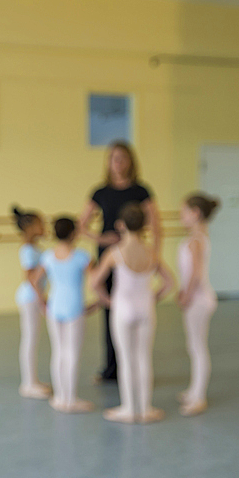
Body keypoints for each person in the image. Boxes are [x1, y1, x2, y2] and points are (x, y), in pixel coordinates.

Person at [79, 140, 161, 383]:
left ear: (131, 162)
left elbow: (156, 225)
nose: (119, 163)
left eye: (123, 158)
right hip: (109, 254)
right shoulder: (100, 191)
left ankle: (135, 365)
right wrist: (101, 237)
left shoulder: (141, 191)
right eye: (114, 158)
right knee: (111, 308)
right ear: (109, 162)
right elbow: (81, 225)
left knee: (137, 305)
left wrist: (154, 256)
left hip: (135, 253)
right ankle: (112, 367)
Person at [89, 203, 174, 424]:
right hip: (145, 309)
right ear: (144, 225)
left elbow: (94, 282)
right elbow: (169, 282)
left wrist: (107, 300)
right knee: (144, 358)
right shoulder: (151, 253)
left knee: (126, 360)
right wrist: (153, 297)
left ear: (120, 225)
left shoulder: (114, 253)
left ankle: (129, 409)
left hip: (123, 309)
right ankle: (145, 409)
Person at [29, 217, 99, 413]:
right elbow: (95, 282)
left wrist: (42, 302)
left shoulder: (48, 256)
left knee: (58, 352)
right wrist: (99, 301)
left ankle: (60, 398)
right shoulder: (82, 257)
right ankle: (70, 399)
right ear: (74, 233)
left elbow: (34, 280)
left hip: (55, 306)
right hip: (74, 307)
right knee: (72, 353)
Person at [177, 193, 220, 417]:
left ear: (195, 213)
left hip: (198, 299)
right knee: (194, 345)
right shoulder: (199, 235)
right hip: (199, 298)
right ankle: (194, 391)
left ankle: (199, 396)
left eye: (184, 211)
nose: (180, 215)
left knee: (197, 346)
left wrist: (186, 295)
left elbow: (195, 273)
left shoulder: (195, 240)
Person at [12, 206, 52, 399]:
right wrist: (41, 298)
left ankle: (33, 380)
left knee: (33, 339)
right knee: (30, 338)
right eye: (40, 223)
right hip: (29, 298)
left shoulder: (35, 248)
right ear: (30, 228)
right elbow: (30, 277)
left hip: (33, 297)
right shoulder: (28, 250)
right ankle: (28, 384)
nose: (44, 226)